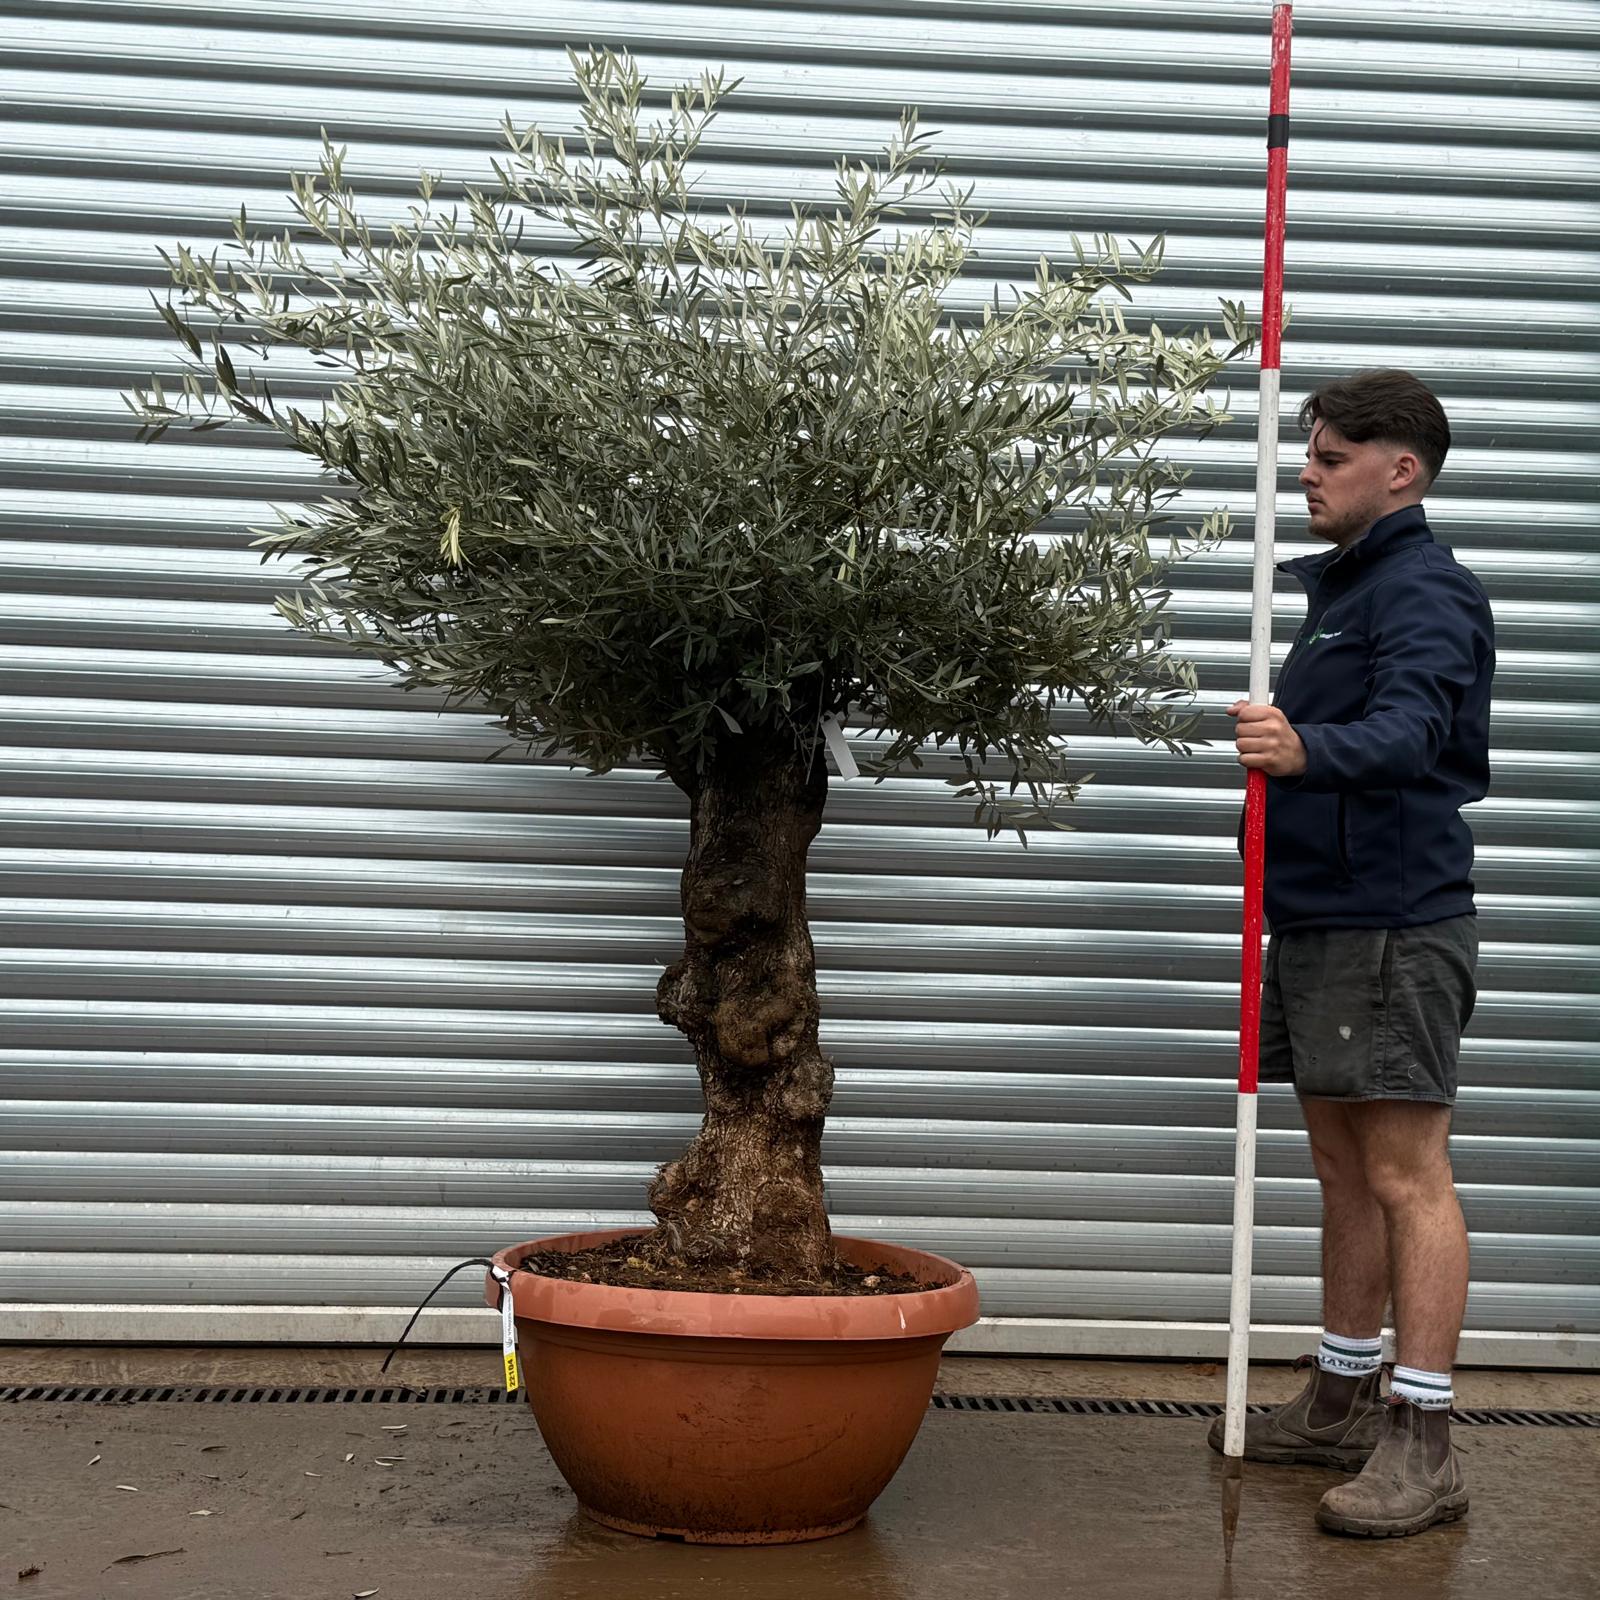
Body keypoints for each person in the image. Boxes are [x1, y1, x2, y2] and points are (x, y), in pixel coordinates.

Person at [1207, 368, 1495, 1538]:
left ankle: (1420, 1442)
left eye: (1329, 457)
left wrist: (1300, 747)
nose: (1307, 473)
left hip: (1391, 921)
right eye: (1309, 451)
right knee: (1340, 1169)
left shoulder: (1423, 591)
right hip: (1323, 918)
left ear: (1399, 470)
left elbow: (1412, 731)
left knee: (1402, 1174)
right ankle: (1337, 1396)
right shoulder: (1349, 590)